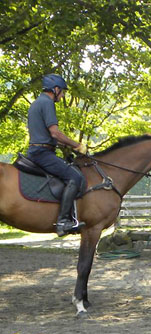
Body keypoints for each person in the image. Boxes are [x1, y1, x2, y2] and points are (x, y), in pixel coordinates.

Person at [27, 74, 87, 236]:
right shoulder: (47, 103)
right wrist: (78, 145)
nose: (63, 95)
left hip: (38, 150)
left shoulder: (36, 103)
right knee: (75, 178)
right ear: (55, 89)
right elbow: (55, 133)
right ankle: (62, 222)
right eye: (62, 92)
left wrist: (67, 150)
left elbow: (47, 136)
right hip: (42, 153)